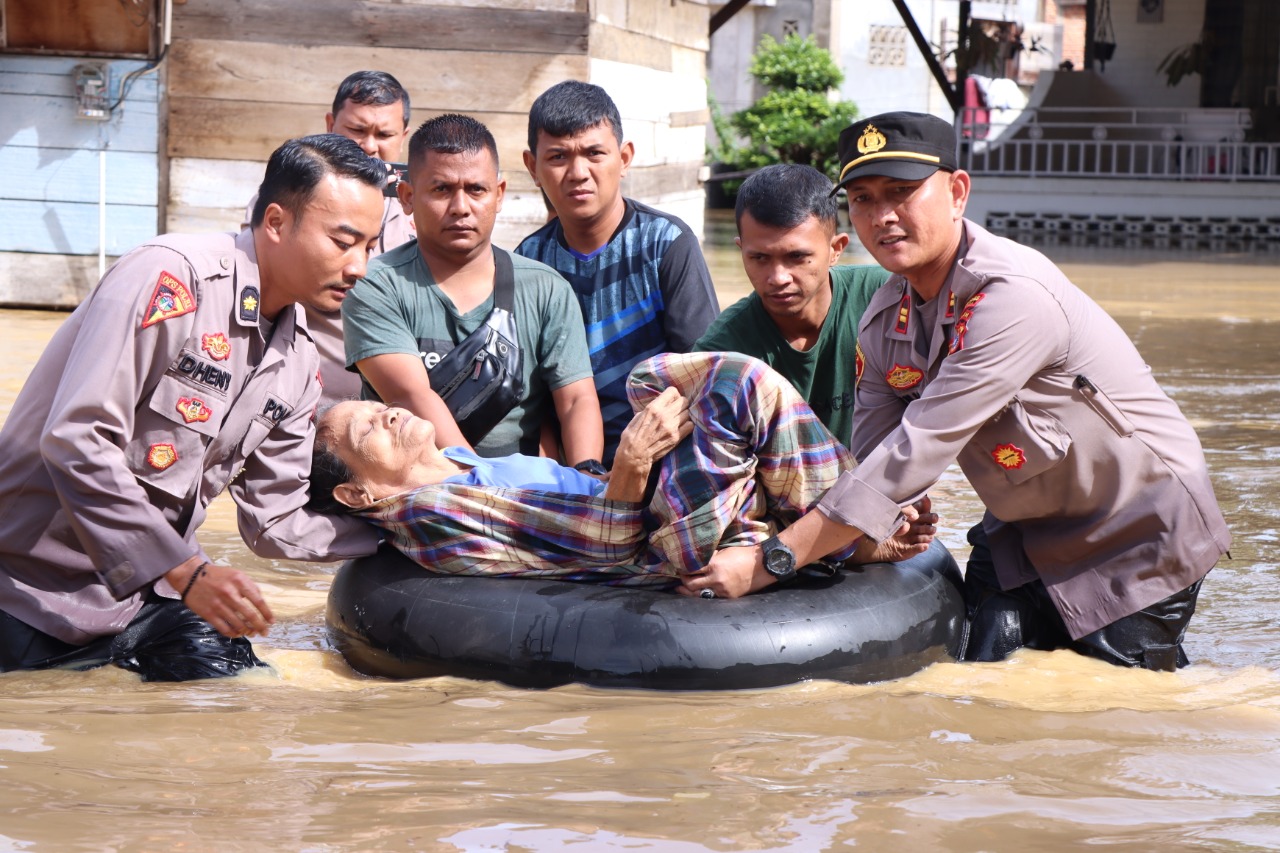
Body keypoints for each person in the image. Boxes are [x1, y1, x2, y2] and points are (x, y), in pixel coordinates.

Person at [691, 111, 1231, 672]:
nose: (883, 216)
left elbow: (919, 448)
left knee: (1109, 709)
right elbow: (871, 465)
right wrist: (876, 536)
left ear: (956, 192)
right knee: (980, 688)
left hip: (1133, 527)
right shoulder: (882, 319)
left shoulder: (1010, 297)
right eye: (864, 197)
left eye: (901, 193)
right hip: (1022, 528)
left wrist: (770, 561)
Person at [0, 134, 388, 681]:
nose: (360, 268)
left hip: (141, 600)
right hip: (23, 590)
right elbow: (76, 439)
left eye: (370, 246)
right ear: (276, 222)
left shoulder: (298, 359)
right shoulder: (169, 277)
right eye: (344, 241)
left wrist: (399, 531)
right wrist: (187, 572)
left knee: (245, 695)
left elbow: (275, 521)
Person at [308, 352, 928, 584]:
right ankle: (853, 532)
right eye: (369, 427)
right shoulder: (429, 510)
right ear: (359, 495)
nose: (388, 416)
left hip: (638, 500)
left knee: (653, 378)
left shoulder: (460, 464)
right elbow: (605, 543)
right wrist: (632, 461)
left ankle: (836, 532)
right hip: (650, 547)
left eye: (382, 407)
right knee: (742, 384)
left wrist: (632, 466)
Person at [342, 113, 603, 464]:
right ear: (406, 197)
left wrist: (585, 477)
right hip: (413, 483)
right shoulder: (376, 285)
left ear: (499, 195)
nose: (461, 208)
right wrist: (482, 484)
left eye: (476, 190)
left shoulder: (546, 288)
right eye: (441, 190)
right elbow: (411, 396)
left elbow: (576, 400)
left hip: (521, 484)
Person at [516, 81, 720, 464]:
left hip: (665, 449)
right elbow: (532, 398)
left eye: (595, 153)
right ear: (533, 167)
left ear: (624, 158)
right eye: (558, 157)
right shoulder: (528, 260)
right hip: (571, 463)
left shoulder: (666, 243)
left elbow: (701, 372)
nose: (578, 172)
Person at [241, 71, 415, 406]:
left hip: (388, 415)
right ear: (330, 124)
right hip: (297, 403)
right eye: (357, 130)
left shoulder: (418, 215)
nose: (369, 145)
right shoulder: (292, 203)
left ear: (404, 136)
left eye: (385, 134)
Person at [694, 163, 891, 447]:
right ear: (741, 250)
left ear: (836, 249)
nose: (778, 278)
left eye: (797, 257)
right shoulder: (722, 349)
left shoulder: (887, 296)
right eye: (759, 258)